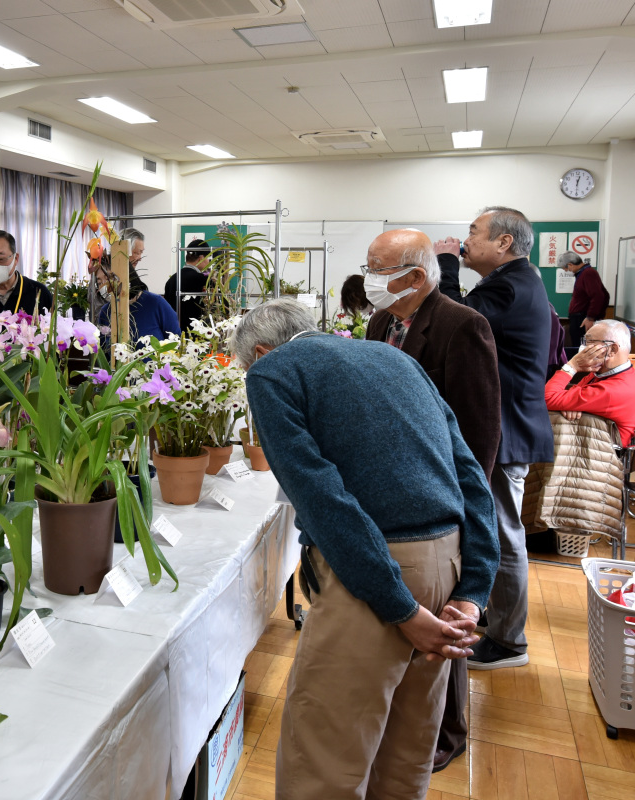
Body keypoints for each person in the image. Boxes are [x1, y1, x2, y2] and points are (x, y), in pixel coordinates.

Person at [234, 299, 497, 800]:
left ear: (262, 352)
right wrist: (473, 591)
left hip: (375, 578)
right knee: (408, 752)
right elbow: (470, 477)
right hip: (448, 567)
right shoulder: (397, 359)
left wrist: (400, 607)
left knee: (325, 762)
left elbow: (324, 501)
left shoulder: (272, 374)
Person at [363, 229, 501, 773]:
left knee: (447, 619)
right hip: (389, 490)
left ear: (416, 276)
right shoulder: (381, 322)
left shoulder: (462, 326)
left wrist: (470, 510)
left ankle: (448, 734)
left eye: (379, 268)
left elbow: (480, 430)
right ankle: (403, 720)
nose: (369, 278)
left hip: (441, 497)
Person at [435, 206, 554, 671]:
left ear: (504, 243)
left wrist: (444, 263)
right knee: (493, 529)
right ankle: (497, 620)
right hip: (502, 424)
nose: (465, 240)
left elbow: (454, 319)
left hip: (504, 429)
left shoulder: (510, 285)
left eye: (473, 232)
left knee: (502, 534)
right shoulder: (515, 283)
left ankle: (508, 641)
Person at [545, 319, 635, 445]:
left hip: (606, 457)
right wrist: (567, 403)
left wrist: (572, 366)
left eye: (590, 342)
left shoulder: (612, 390)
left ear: (613, 349)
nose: (584, 347)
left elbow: (546, 398)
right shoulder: (604, 372)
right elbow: (564, 395)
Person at [96, 255, 180, 342]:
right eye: (99, 282)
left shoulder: (156, 304)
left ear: (126, 275)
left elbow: (176, 341)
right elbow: (103, 351)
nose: (104, 285)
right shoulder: (105, 312)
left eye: (108, 278)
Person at [89, 227, 144, 324]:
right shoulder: (103, 271)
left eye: (141, 252)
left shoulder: (136, 282)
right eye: (136, 253)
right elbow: (96, 308)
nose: (140, 258)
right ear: (124, 250)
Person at [558, 251, 609, 348]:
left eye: (566, 269)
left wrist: (590, 317)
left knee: (581, 348)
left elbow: (599, 296)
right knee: (577, 345)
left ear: (570, 265)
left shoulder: (588, 273)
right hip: (579, 318)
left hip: (583, 318)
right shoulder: (582, 273)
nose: (568, 271)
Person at [163, 239, 209, 333]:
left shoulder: (171, 280)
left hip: (174, 333)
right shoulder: (202, 280)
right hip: (196, 334)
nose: (209, 262)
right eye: (208, 258)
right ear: (201, 258)